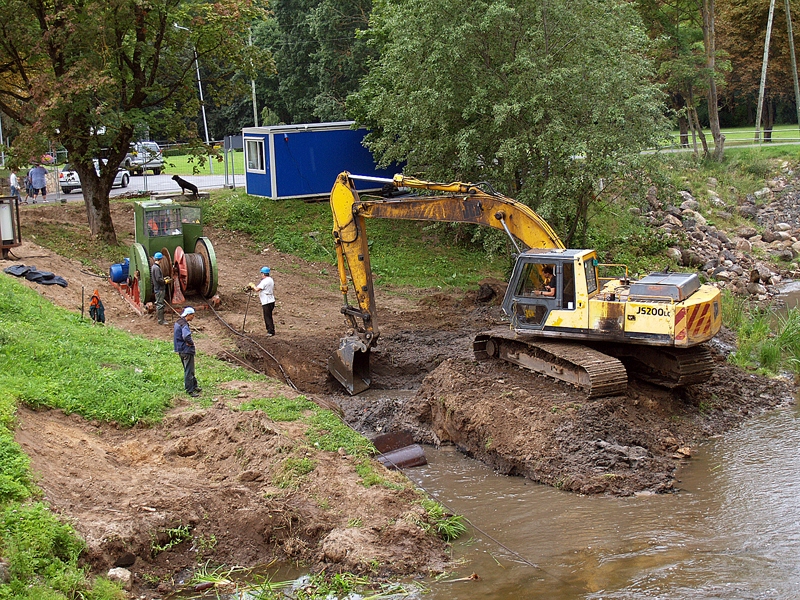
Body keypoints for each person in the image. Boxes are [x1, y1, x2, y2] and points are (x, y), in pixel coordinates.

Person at [174, 306, 201, 397]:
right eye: (192, 315)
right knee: (189, 370)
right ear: (188, 315)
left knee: (188, 369)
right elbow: (186, 336)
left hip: (180, 349)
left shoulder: (178, 322)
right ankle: (190, 390)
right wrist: (190, 343)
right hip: (186, 350)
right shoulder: (184, 325)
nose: (193, 317)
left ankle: (194, 385)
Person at [249, 266, 275, 336]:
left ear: (263, 274)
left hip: (266, 301)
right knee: (269, 315)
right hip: (271, 300)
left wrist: (252, 286)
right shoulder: (270, 280)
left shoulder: (265, 281)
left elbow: (257, 289)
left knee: (267, 316)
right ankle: (270, 329)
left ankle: (270, 331)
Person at [151, 252, 167, 325]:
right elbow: (158, 279)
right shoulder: (157, 268)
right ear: (160, 259)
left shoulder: (153, 267)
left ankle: (160, 319)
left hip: (157, 288)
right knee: (160, 304)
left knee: (159, 304)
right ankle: (161, 321)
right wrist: (164, 281)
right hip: (160, 288)